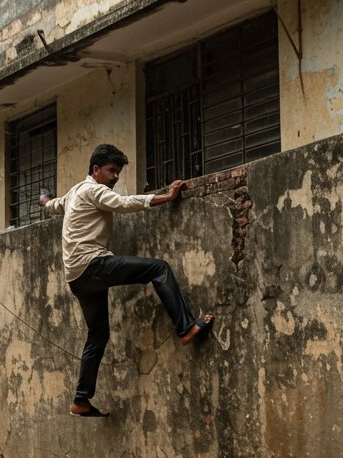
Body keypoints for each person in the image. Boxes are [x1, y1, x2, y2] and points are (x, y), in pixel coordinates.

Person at [40, 144, 214, 418]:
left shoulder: (75, 192)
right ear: (95, 170)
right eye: (111, 171)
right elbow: (123, 204)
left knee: (98, 335)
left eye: (117, 172)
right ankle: (186, 327)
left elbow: (54, 206)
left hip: (76, 277)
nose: (115, 177)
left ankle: (81, 400)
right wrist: (166, 197)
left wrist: (44, 200)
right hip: (93, 265)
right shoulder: (94, 190)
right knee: (159, 268)